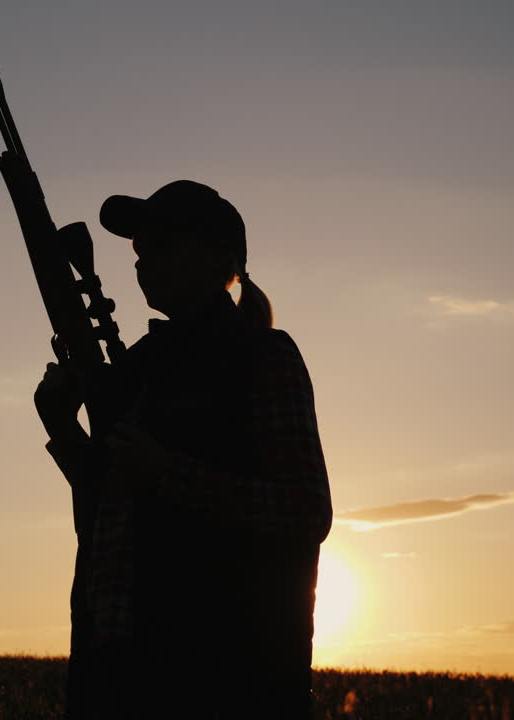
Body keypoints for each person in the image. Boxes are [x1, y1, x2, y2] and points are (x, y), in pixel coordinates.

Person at [35, 180, 334, 719]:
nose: (144, 262)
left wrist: (168, 471)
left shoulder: (264, 357)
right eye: (140, 250)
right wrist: (63, 428)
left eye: (165, 244)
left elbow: (305, 511)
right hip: (114, 678)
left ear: (221, 256)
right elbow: (110, 508)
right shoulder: (140, 369)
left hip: (226, 686)